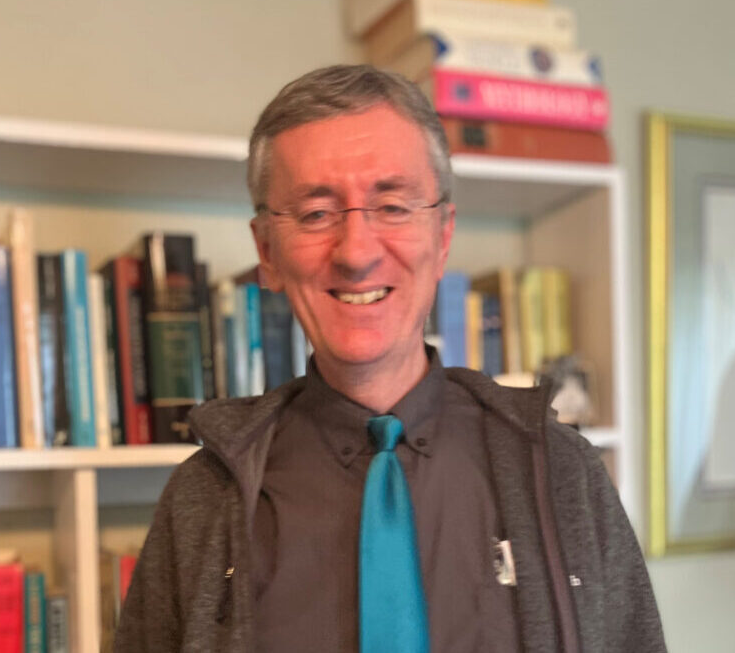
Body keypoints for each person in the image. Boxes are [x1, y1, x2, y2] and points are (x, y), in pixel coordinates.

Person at [115, 64, 666, 653]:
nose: (355, 253)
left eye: (394, 206)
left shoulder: (565, 476)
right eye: (315, 213)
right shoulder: (201, 502)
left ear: (443, 234)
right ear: (267, 252)